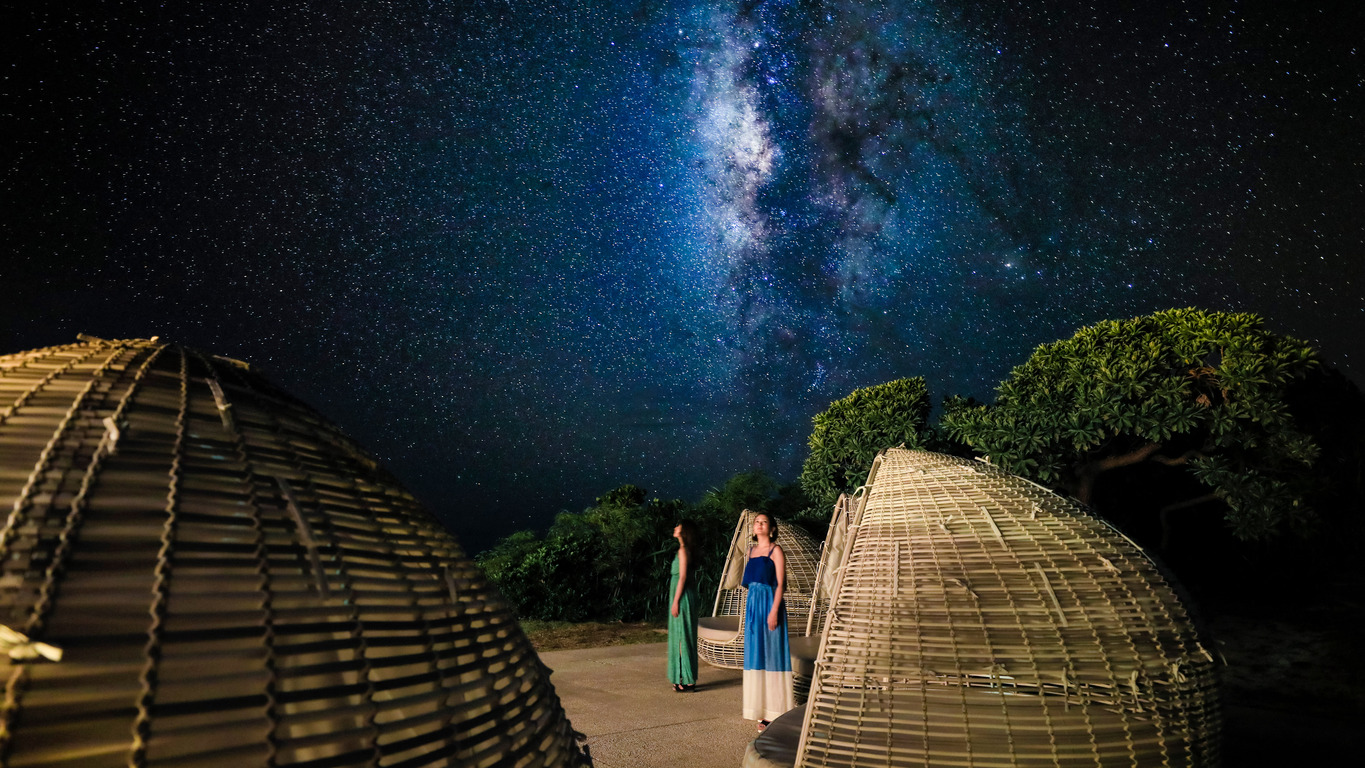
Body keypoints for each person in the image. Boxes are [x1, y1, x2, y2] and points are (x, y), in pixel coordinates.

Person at [741, 510, 793, 730]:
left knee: (772, 655)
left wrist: (773, 611)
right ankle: (759, 707)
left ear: (772, 529)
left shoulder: (775, 550)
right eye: (757, 522)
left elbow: (781, 584)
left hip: (770, 604)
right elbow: (749, 584)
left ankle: (775, 710)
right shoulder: (751, 552)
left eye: (764, 522)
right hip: (754, 606)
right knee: (756, 656)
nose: (759, 524)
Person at [667, 519, 700, 692]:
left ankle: (685, 679)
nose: (675, 527)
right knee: (683, 635)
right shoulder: (684, 550)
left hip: (682, 596)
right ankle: (685, 677)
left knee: (682, 636)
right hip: (682, 594)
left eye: (678, 526)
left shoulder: (683, 550)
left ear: (685, 531)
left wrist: (676, 601)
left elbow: (683, 577)